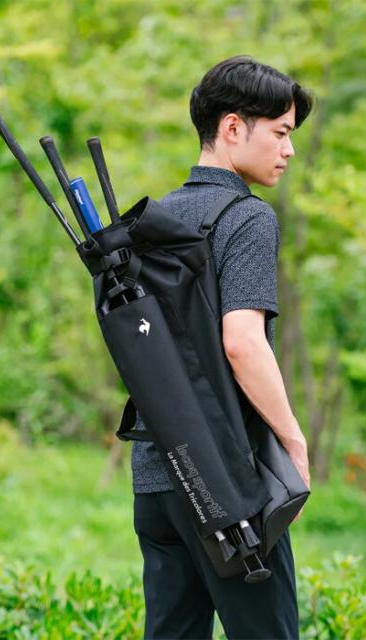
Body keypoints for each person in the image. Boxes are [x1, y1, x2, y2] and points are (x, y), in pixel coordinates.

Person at [131, 56, 314, 639]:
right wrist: (293, 439)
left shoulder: (153, 220)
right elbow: (243, 342)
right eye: (280, 133)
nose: (288, 150)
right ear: (233, 127)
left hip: (158, 479)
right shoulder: (248, 218)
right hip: (229, 483)